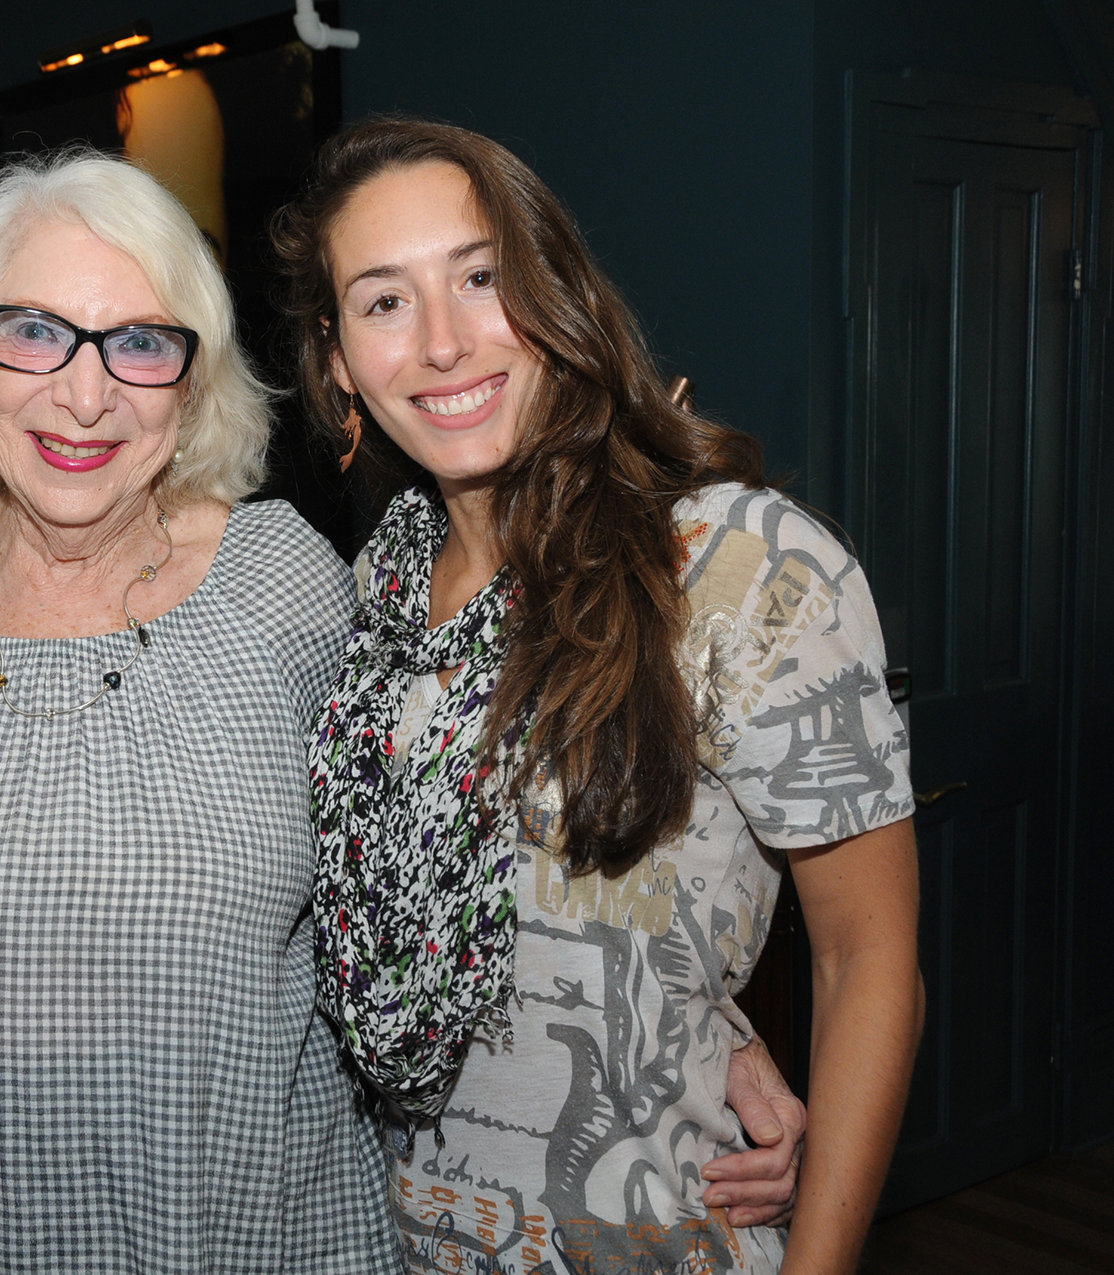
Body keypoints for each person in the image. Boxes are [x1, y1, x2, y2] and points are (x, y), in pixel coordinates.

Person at [0, 148, 802, 1273]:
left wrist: (703, 1022)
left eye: (140, 343)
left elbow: (451, 840)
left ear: (191, 385)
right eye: (33, 331)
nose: (85, 392)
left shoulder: (284, 585)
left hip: (255, 1242)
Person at [273, 119, 924, 1275]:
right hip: (381, 1243)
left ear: (554, 291)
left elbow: (868, 964)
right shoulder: (374, 592)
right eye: (385, 302)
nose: (442, 342)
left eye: (481, 278)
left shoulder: (735, 567)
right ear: (338, 365)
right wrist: (716, 1031)